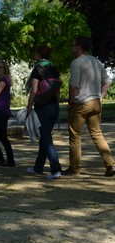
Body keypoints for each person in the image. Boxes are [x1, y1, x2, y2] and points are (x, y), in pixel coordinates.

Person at [64, 36, 115, 176]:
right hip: (95, 102)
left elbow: (73, 86)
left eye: (73, 45)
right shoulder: (97, 61)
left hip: (81, 103)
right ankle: (110, 164)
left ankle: (74, 167)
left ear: (79, 47)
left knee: (75, 135)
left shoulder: (76, 63)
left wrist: (71, 102)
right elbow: (107, 81)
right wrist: (101, 96)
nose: (71, 48)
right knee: (97, 134)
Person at [25, 45, 63, 179]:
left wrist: (29, 107)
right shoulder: (54, 69)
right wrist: (57, 105)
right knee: (44, 137)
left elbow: (34, 90)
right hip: (54, 106)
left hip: (43, 108)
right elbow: (57, 89)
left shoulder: (38, 69)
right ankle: (38, 167)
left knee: (46, 139)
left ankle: (56, 169)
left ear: (38, 55)